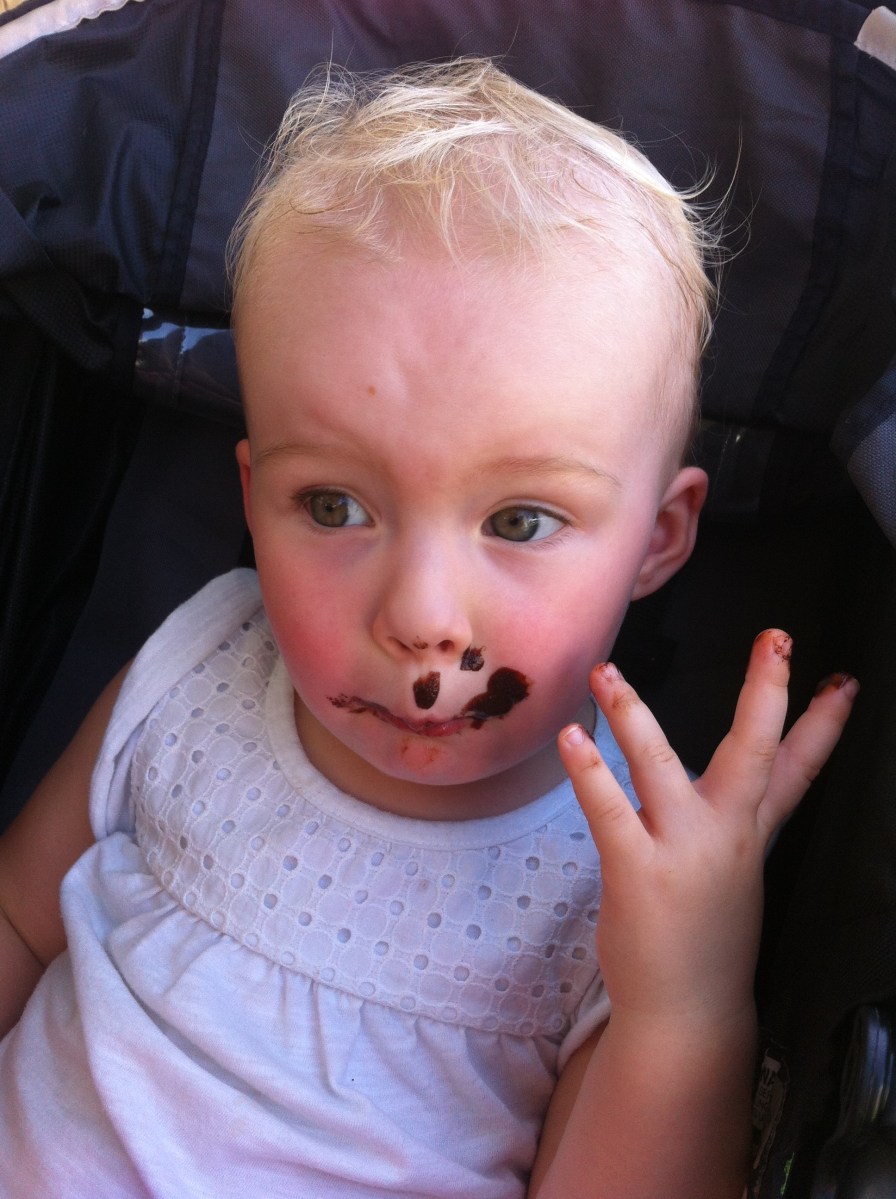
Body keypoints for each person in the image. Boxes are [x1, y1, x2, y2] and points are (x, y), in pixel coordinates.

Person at [0, 58, 858, 1198]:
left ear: (657, 539)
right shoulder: (195, 661)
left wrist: (683, 1002)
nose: (418, 617)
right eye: (333, 506)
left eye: (519, 520)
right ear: (254, 497)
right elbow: (19, 922)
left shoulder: (630, 877)